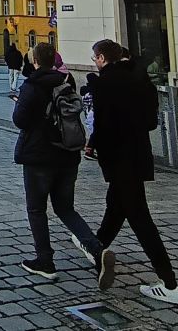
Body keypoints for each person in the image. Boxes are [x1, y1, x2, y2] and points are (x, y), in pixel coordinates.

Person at [87, 39, 178, 305]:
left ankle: (169, 283)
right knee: (116, 207)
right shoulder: (140, 79)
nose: (94, 61)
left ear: (103, 58)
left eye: (95, 57)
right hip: (138, 154)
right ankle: (95, 248)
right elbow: (152, 121)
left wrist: (95, 146)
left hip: (119, 158)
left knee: (140, 219)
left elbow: (103, 125)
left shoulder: (104, 83)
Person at [12, 43, 116, 287]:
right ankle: (97, 250)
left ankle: (45, 261)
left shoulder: (32, 85)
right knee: (65, 208)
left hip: (39, 157)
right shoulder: (65, 82)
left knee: (37, 209)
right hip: (68, 156)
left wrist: (20, 104)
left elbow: (20, 120)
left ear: (35, 61)